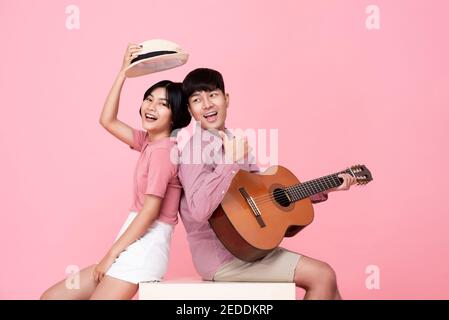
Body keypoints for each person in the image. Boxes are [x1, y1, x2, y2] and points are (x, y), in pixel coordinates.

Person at [178, 68, 356, 300]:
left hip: (250, 247)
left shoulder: (236, 142)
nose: (207, 104)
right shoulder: (194, 150)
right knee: (322, 275)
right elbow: (199, 209)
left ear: (226, 99)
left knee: (330, 289)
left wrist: (325, 187)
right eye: (196, 99)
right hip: (223, 256)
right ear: (191, 110)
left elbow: (262, 197)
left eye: (213, 94)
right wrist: (230, 161)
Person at [40, 44, 191, 300]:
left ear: (175, 115)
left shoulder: (164, 152)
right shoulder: (149, 143)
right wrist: (124, 72)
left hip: (144, 249)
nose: (151, 107)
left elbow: (150, 212)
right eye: (149, 99)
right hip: (130, 241)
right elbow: (107, 120)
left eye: (162, 104)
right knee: (52, 298)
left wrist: (111, 254)